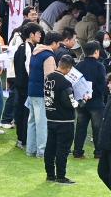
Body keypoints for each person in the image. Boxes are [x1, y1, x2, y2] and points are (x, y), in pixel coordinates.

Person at [46, 56, 79, 184]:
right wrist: (81, 101)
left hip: (50, 118)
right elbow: (70, 103)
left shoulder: (48, 78)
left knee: (50, 148)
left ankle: (50, 175)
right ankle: (61, 176)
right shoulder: (65, 83)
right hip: (64, 121)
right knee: (62, 150)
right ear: (69, 68)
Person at [28, 33, 60, 158]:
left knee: (32, 122)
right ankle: (42, 151)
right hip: (42, 93)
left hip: (32, 91)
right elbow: (49, 79)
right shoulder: (48, 56)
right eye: (58, 43)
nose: (59, 46)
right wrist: (51, 97)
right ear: (54, 43)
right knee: (42, 123)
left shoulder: (35, 52)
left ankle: (31, 149)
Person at [74, 40, 107, 158]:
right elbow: (102, 85)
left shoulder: (79, 65)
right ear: (96, 51)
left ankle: (77, 151)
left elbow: (75, 83)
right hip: (96, 102)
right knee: (97, 128)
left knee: (80, 127)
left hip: (81, 101)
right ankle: (98, 152)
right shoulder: (99, 66)